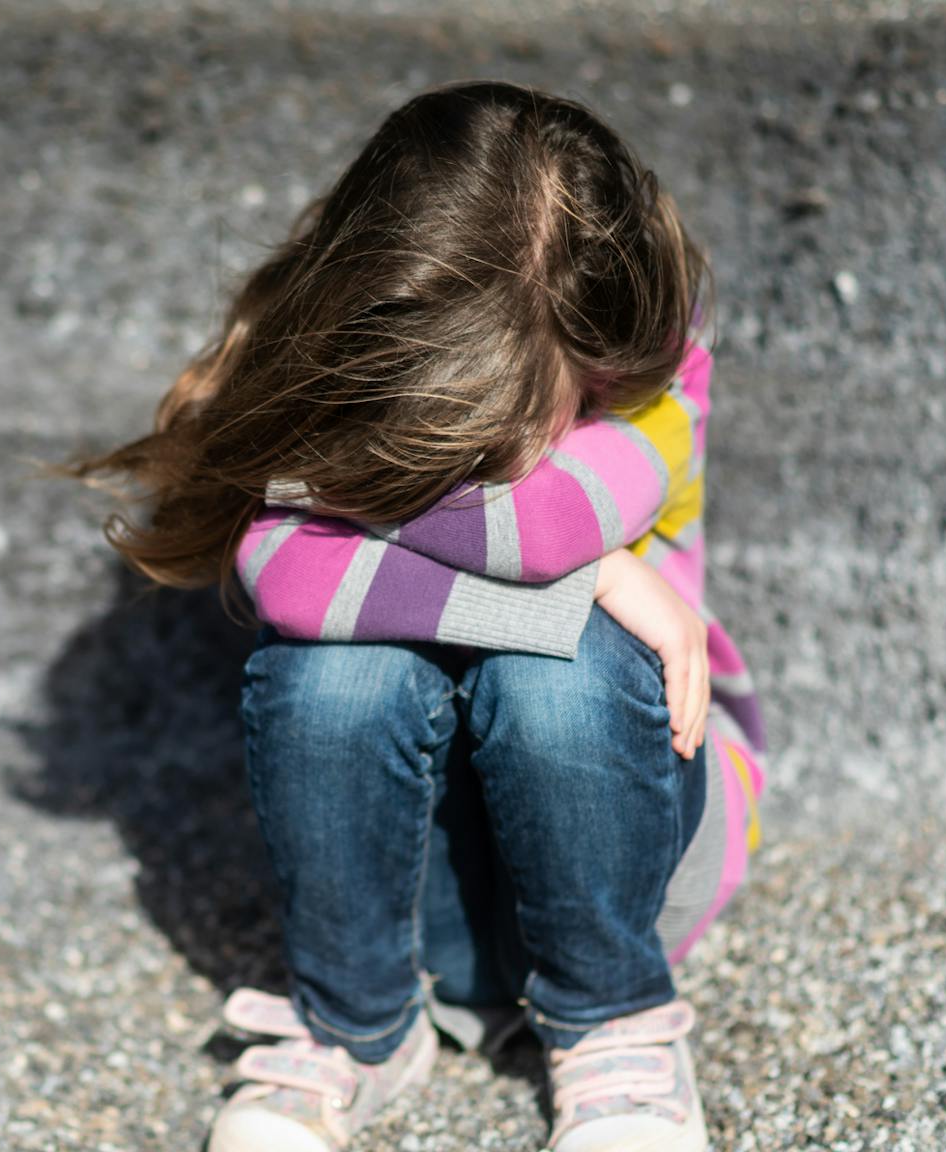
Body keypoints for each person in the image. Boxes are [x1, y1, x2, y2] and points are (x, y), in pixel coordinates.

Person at [58, 79, 767, 1152]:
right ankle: (359, 1025)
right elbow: (286, 580)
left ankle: (613, 1025)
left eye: (507, 432)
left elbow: (543, 524)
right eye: (456, 447)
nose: (492, 472)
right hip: (406, 908)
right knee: (336, 668)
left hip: (626, 871)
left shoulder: (654, 362)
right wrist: (603, 578)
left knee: (558, 667)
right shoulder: (338, 358)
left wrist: (341, 495)